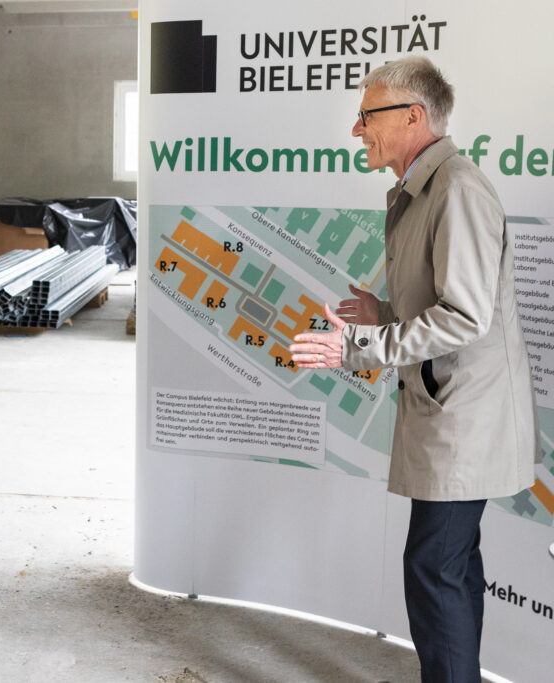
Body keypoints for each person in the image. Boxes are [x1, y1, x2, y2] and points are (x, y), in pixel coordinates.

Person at [289, 56, 539, 682]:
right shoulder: (423, 190)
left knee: (434, 569)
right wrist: (383, 311)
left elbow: (464, 317)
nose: (356, 131)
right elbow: (444, 300)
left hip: (466, 423)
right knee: (447, 567)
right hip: (451, 413)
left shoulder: (457, 189)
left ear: (412, 116)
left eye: (366, 116)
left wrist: (356, 346)